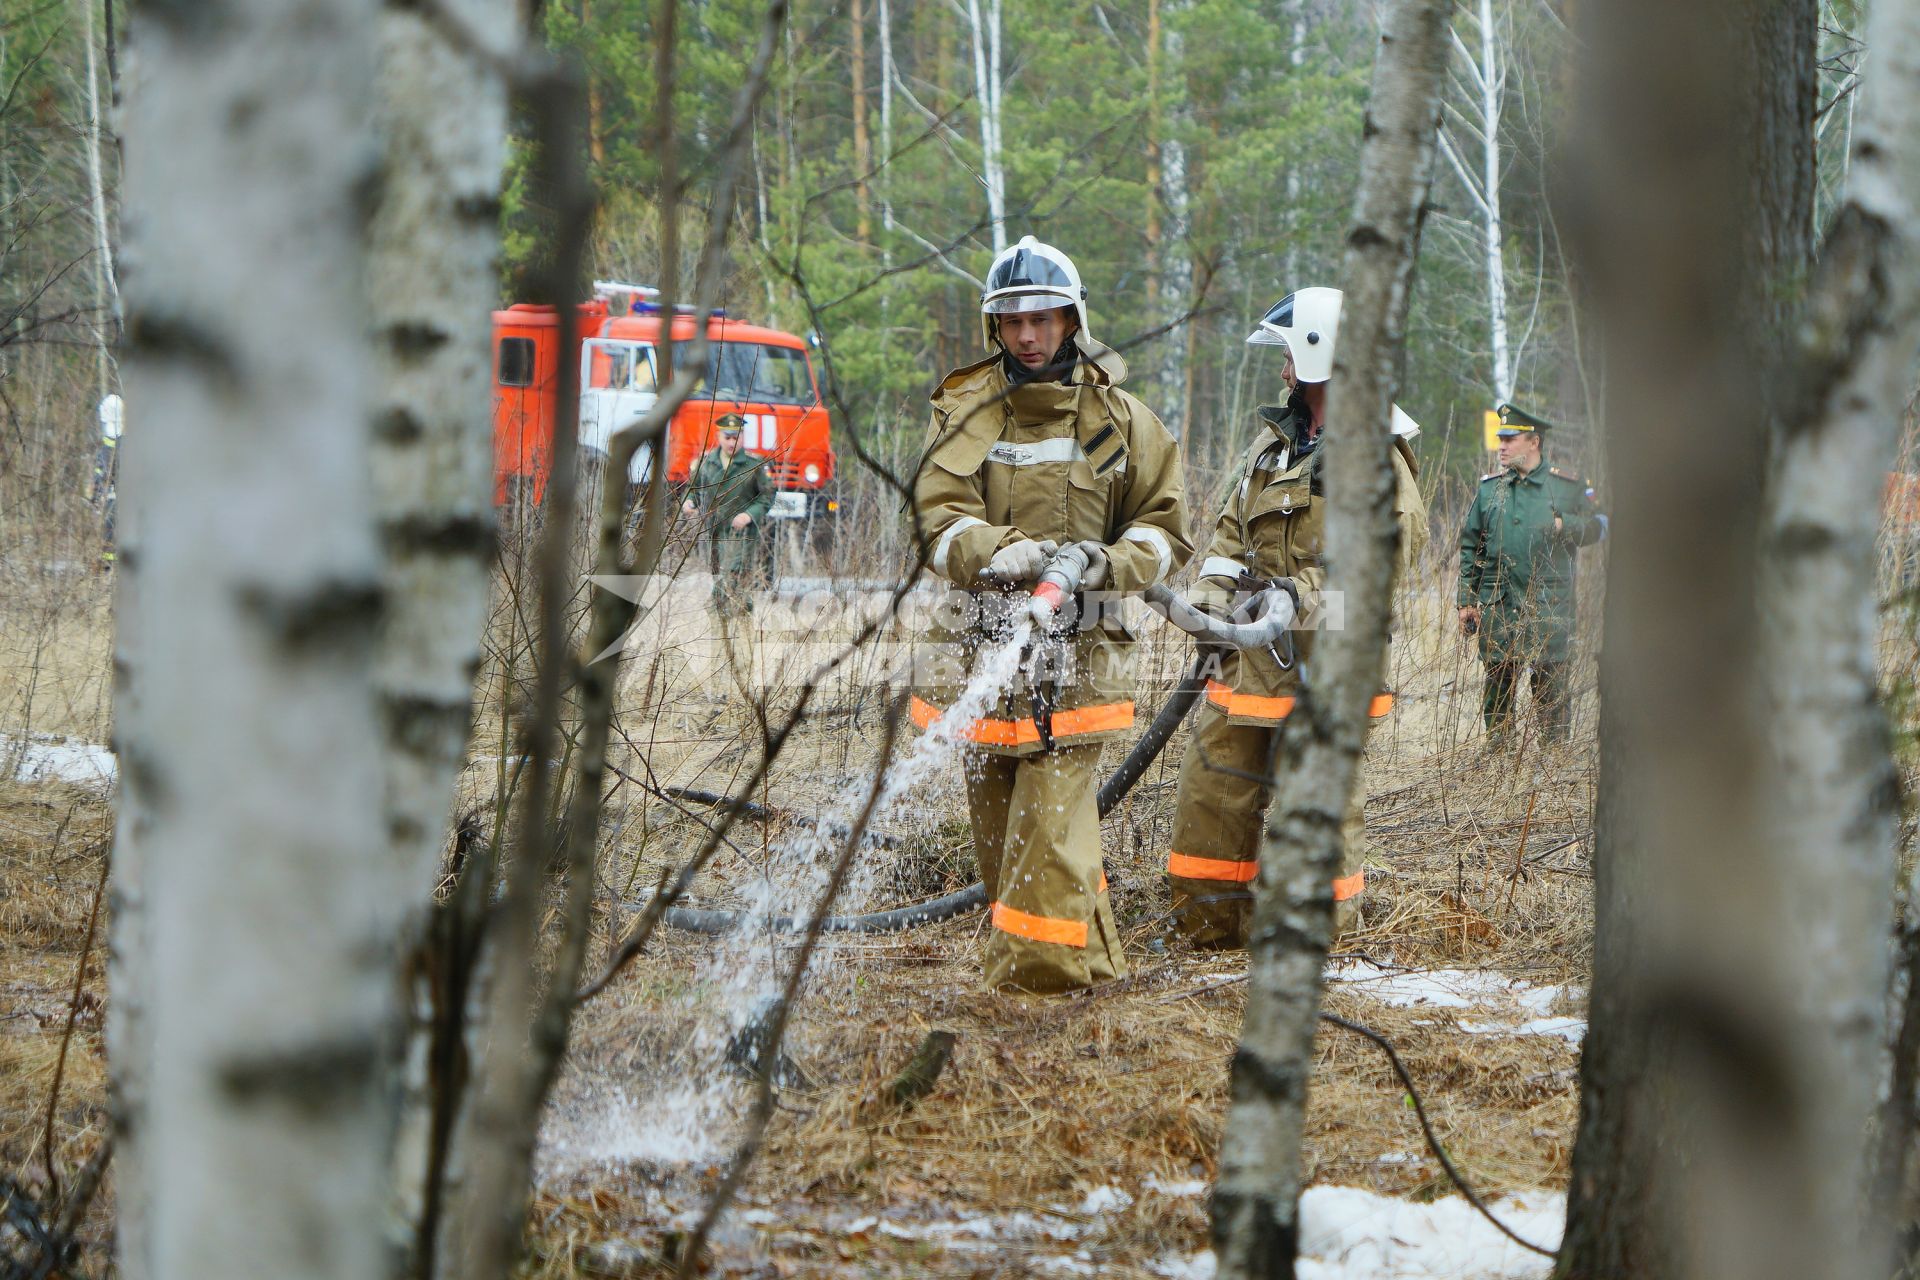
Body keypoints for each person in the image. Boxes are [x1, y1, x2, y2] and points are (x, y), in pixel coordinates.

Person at [911, 234, 1191, 994]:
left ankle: (1037, 994)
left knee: (1047, 824)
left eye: (1042, 319)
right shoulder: (967, 416)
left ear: (1072, 319)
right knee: (1008, 839)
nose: (1028, 337)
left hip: (1082, 660)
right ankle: (1093, 965)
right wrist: (994, 551)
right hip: (982, 654)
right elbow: (936, 521)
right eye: (1012, 323)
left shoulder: (1124, 422)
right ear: (993, 329)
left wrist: (1105, 562)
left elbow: (1166, 530)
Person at [1163, 288, 1428, 947]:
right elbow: (1229, 534)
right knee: (1211, 798)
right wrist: (1208, 601)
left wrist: (1297, 593)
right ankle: (1205, 932)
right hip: (1247, 662)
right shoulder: (1273, 444)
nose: (1282, 366)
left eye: (1289, 352)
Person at [1456, 402, 1606, 745]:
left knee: (1551, 686)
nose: (1502, 446)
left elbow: (1601, 526)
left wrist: (1563, 524)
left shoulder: (1567, 487)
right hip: (1499, 605)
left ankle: (1553, 756)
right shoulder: (1489, 489)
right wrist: (1467, 600)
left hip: (1548, 606)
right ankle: (1498, 752)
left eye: (1510, 439)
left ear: (1534, 442)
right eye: (1500, 439)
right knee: (1497, 682)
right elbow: (1471, 547)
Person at [682, 413, 774, 617]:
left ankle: (731, 612)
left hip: (741, 529)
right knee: (718, 571)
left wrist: (749, 515)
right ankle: (728, 614)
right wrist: (688, 503)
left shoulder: (754, 464)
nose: (733, 442)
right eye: (728, 437)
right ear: (719, 437)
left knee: (735, 570)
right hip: (714, 529)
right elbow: (694, 489)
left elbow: (767, 496)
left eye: (737, 437)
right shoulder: (706, 462)